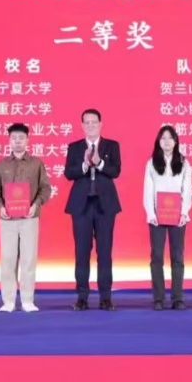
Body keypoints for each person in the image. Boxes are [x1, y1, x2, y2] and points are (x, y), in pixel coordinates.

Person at [0, 123, 53, 313]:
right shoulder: (1, 165)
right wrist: (0, 206)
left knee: (28, 259)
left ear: (27, 140)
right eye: (14, 138)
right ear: (9, 140)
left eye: (21, 138)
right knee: (7, 260)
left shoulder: (36, 164)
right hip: (7, 219)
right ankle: (8, 301)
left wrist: (35, 205)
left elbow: (45, 188)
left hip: (29, 218)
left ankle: (27, 300)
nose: (17, 141)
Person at [63, 108, 122, 310]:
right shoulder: (75, 147)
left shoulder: (112, 145)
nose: (90, 126)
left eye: (94, 122)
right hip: (82, 206)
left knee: (104, 252)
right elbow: (68, 173)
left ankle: (106, 297)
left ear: (100, 124)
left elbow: (116, 170)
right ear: (82, 125)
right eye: (86, 123)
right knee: (81, 252)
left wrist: (100, 163)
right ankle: (82, 297)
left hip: (105, 205)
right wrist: (84, 166)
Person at [143, 125, 192, 310]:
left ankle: (178, 298)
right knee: (156, 257)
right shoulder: (152, 163)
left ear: (176, 141)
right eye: (163, 138)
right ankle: (158, 298)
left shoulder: (184, 162)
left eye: (170, 138)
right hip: (157, 217)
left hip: (178, 216)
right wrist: (151, 213)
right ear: (158, 141)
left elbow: (187, 189)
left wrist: (184, 212)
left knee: (177, 257)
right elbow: (148, 190)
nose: (167, 141)